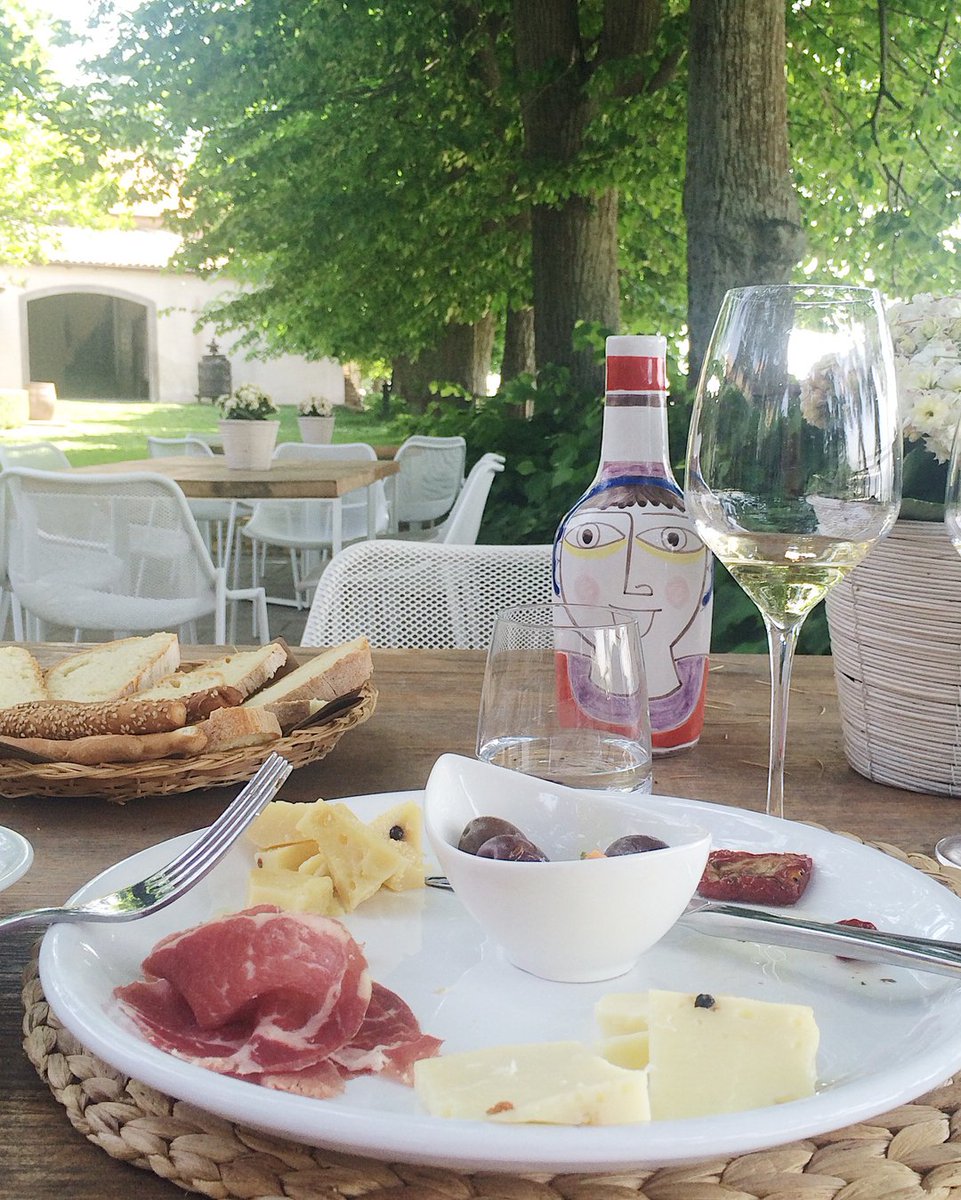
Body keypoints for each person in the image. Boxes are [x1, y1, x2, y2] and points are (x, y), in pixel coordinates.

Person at [553, 472, 713, 753]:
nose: (631, 588)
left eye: (672, 541)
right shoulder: (571, 673)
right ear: (558, 572)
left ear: (706, 580)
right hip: (586, 763)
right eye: (590, 540)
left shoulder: (690, 519)